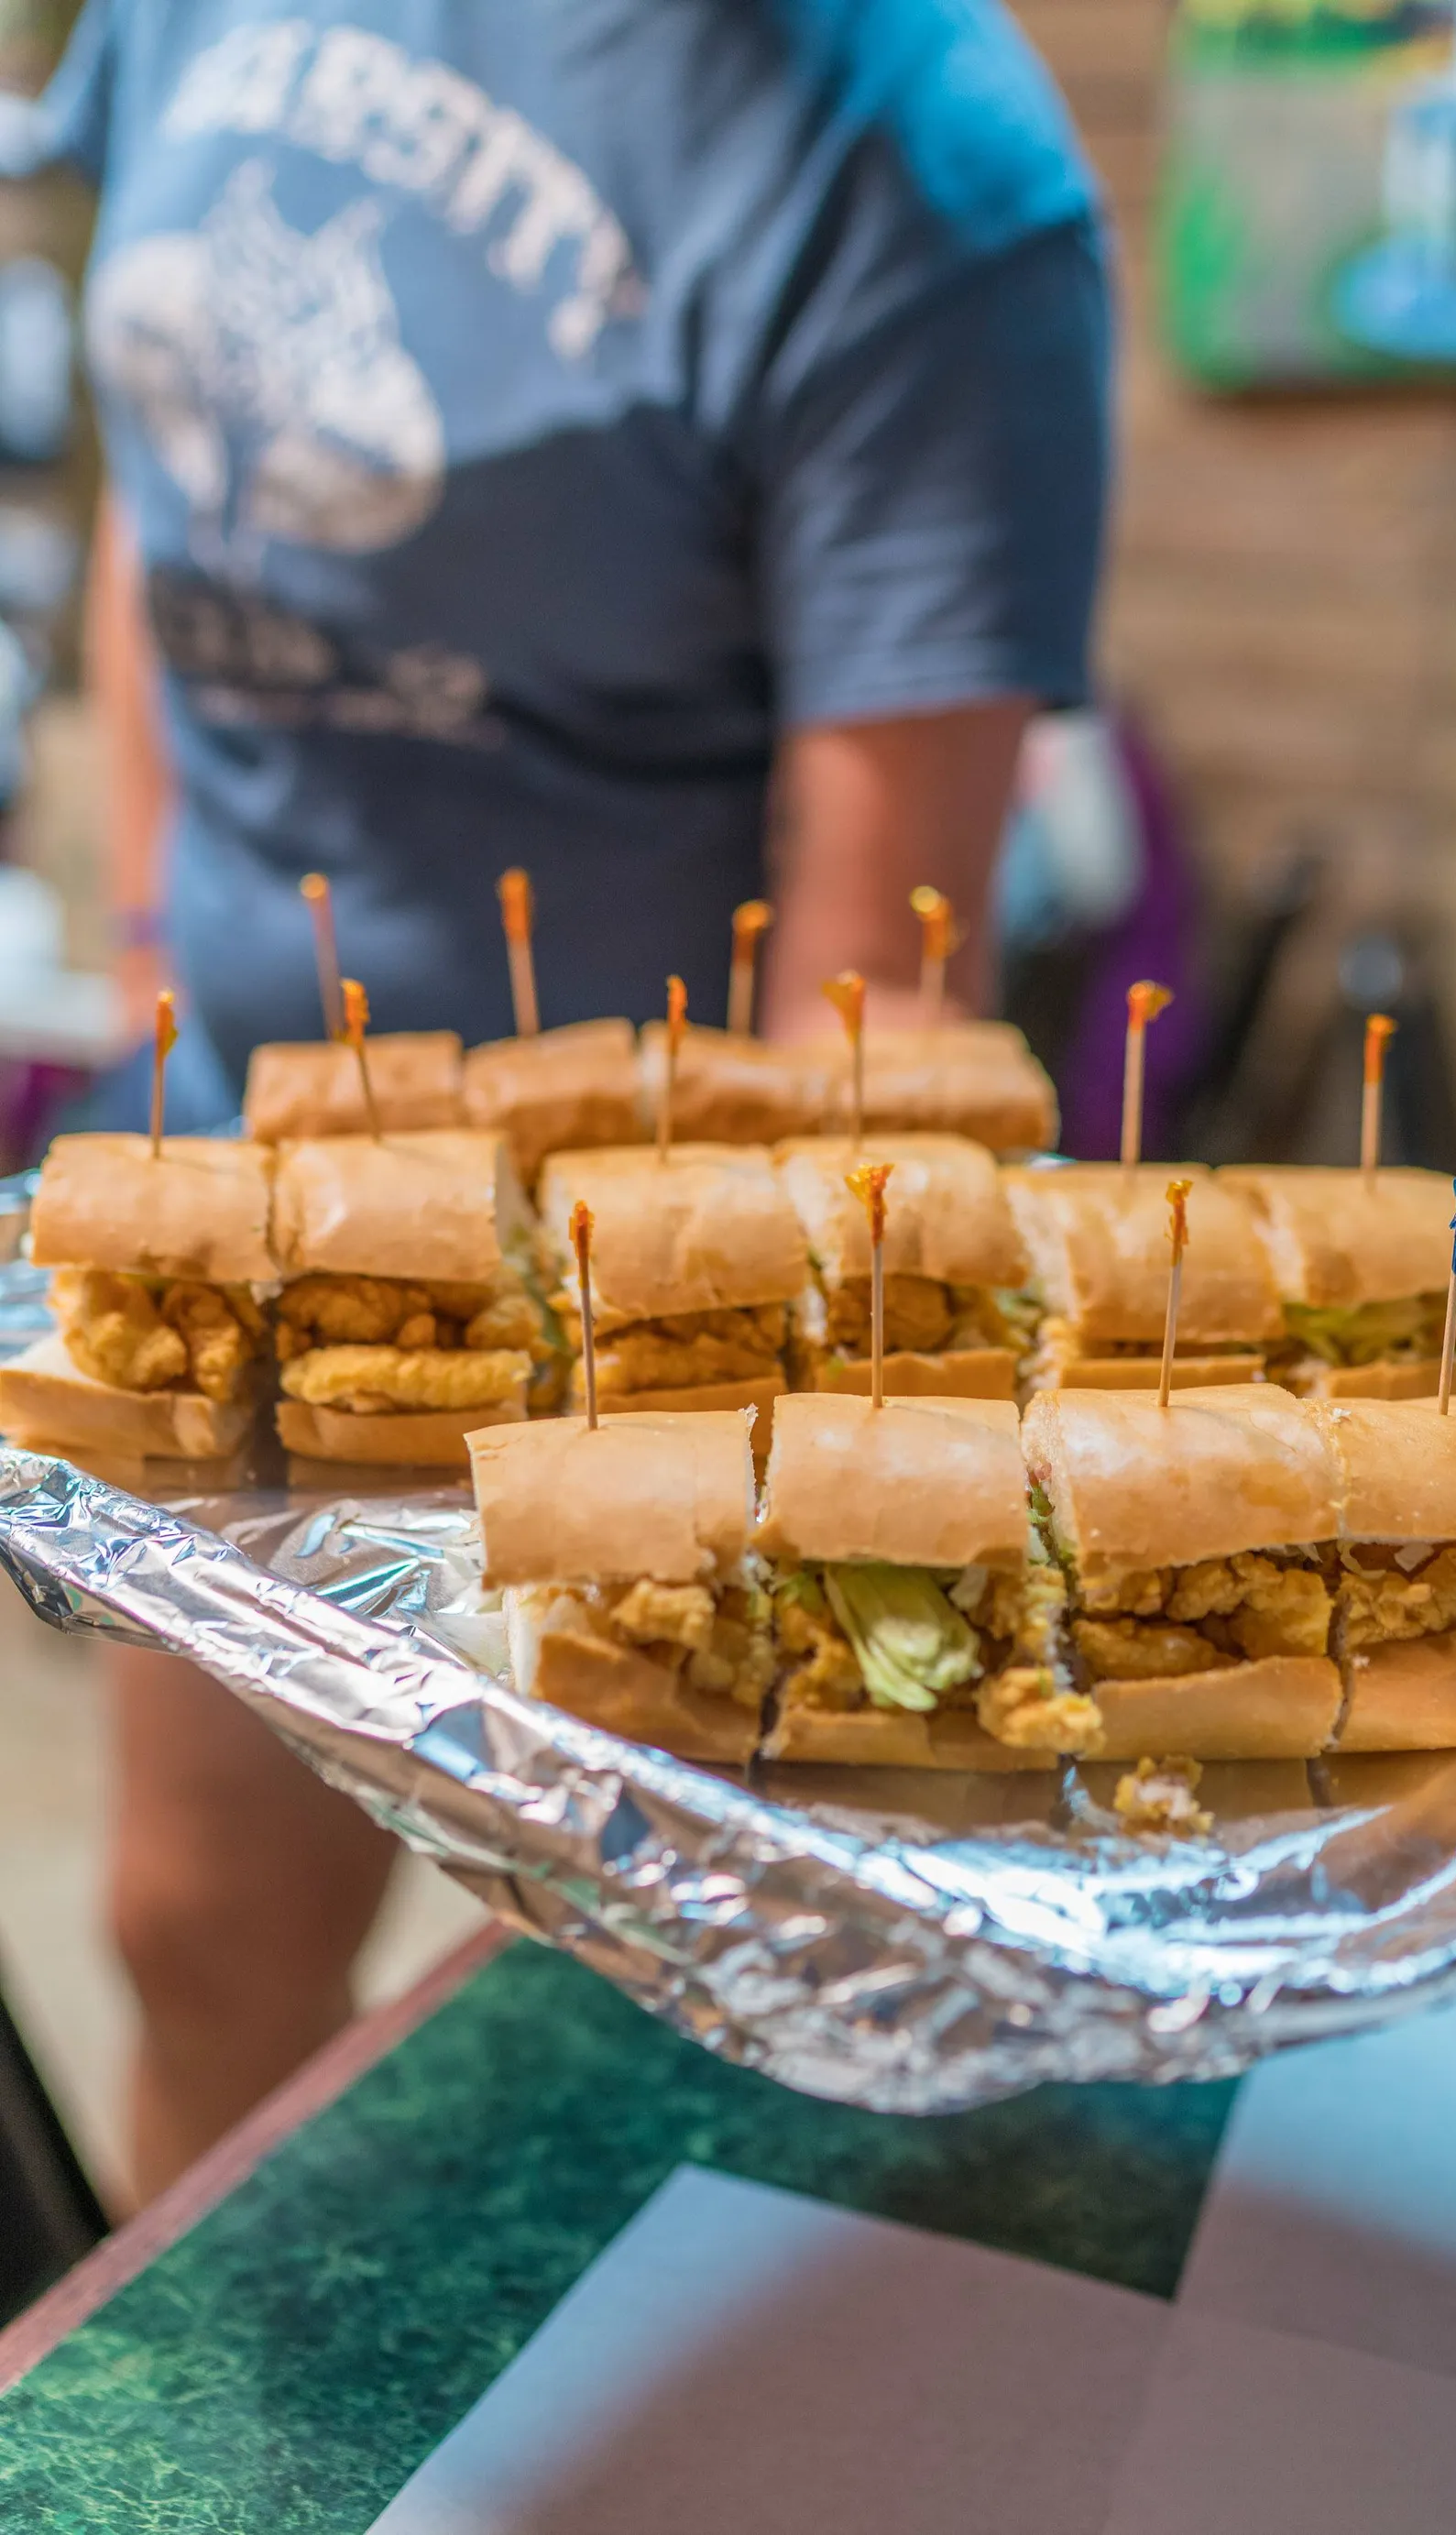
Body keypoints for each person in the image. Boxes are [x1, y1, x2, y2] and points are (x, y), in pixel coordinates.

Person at [33, 1, 1109, 2200]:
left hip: (656, 1321)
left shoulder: (918, 156)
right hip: (248, 1196)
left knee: (667, 2027)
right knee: (194, 1932)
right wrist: (156, 928)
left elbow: (875, 990)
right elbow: (168, 457)